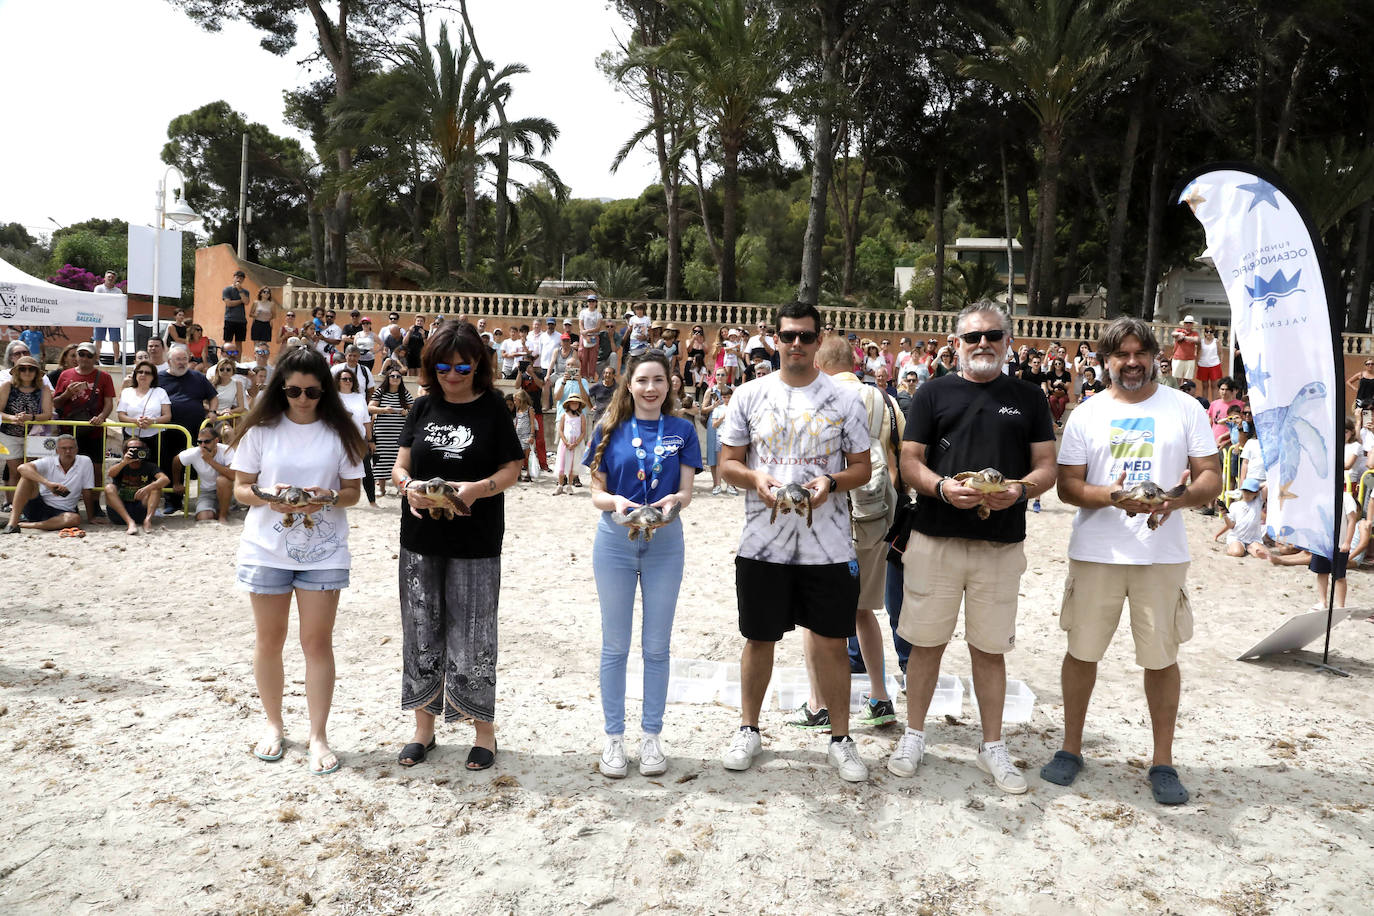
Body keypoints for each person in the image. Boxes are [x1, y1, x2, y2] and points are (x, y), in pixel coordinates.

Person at [1040, 316, 1221, 806]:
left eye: (1141, 353)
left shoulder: (1185, 408)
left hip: (1160, 555)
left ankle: (1162, 761)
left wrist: (1175, 501)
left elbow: (1211, 476)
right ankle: (1070, 748)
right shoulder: (1086, 414)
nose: (1132, 362)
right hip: (1097, 552)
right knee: (1082, 652)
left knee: (1161, 659)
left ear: (1156, 357)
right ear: (1105, 361)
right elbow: (1068, 485)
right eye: (1121, 354)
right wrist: (1112, 496)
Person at [886, 302, 1057, 793]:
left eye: (993, 335)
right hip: (935, 536)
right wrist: (940, 488)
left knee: (990, 648)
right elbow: (909, 461)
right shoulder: (934, 392)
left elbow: (1046, 464)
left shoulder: (1028, 397)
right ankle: (914, 735)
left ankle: (992, 745)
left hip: (1000, 545)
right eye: (972, 337)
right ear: (956, 342)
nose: (982, 343)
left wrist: (1021, 489)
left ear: (1008, 340)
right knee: (925, 644)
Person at [717, 301, 874, 783]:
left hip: (827, 546)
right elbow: (727, 463)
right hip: (763, 543)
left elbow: (862, 469)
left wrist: (831, 482)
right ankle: (749, 728)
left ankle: (841, 738)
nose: (797, 345)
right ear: (774, 338)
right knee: (758, 637)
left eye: (807, 337)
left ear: (819, 339)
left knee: (830, 641)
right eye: (788, 336)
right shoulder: (749, 394)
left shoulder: (848, 399)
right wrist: (756, 479)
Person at [390, 320, 523, 770]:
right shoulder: (423, 407)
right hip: (420, 540)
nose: (452, 374)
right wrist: (408, 486)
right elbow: (400, 463)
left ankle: (484, 731)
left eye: (462, 366)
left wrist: (476, 489)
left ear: (478, 366)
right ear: (431, 365)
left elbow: (512, 470)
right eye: (443, 365)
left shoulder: (494, 409)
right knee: (421, 631)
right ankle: (422, 729)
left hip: (477, 540)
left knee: (474, 635)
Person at [232, 346, 367, 776]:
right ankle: (273, 725)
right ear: (281, 389)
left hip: (324, 550)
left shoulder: (339, 433)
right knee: (269, 641)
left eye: (312, 391)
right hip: (265, 547)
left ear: (324, 389)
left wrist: (324, 498)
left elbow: (352, 493)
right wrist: (272, 499)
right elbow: (240, 489)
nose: (303, 398)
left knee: (316, 643)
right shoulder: (261, 430)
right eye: (293, 390)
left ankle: (317, 734)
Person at [585, 351, 701, 777]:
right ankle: (613, 738)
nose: (650, 388)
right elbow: (596, 493)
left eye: (658, 380)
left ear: (670, 384)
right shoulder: (608, 428)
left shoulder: (683, 430)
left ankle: (651, 737)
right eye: (642, 381)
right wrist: (615, 500)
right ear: (628, 385)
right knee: (615, 646)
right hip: (615, 540)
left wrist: (675, 500)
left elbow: (687, 492)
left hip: (666, 542)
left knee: (656, 646)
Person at [789, 336, 901, 732]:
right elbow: (898, 454)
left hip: (833, 515)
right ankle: (880, 696)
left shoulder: (822, 397)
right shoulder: (885, 401)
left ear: (819, 361)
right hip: (876, 515)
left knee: (814, 614)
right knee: (865, 611)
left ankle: (818, 703)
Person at [158, 345, 219, 513]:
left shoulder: (198, 377)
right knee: (169, 462)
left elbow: (213, 397)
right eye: (178, 359)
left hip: (194, 429)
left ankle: (205, 498)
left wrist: (213, 412)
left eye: (185, 359)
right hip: (168, 430)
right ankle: (172, 501)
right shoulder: (159, 378)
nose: (182, 362)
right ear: (169, 361)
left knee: (194, 464)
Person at [3, 433, 98, 533]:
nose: (68, 451)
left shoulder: (85, 461)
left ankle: (27, 525)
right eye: (64, 448)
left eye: (71, 448)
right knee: (26, 478)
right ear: (57, 451)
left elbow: (87, 491)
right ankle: (12, 524)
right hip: (38, 505)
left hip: (63, 511)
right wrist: (48, 484)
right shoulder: (49, 461)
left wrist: (90, 517)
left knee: (74, 519)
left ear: (77, 450)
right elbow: (22, 468)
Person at [53, 342, 115, 467]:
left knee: (96, 468)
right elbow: (56, 403)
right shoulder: (65, 375)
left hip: (95, 430)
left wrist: (101, 417)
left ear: (95, 358)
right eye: (81, 354)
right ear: (76, 356)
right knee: (67, 465)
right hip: (69, 429)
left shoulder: (104, 377)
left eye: (89, 355)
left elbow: (109, 403)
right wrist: (67, 394)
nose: (84, 358)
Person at [0, 356, 53, 490]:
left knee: (32, 473)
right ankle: (14, 506)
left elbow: (48, 414)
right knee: (15, 471)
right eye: (22, 369)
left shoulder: (44, 389)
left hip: (35, 436)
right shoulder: (7, 386)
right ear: (17, 371)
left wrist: (31, 417)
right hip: (9, 434)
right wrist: (13, 418)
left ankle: (30, 507)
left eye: (31, 369)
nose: (27, 372)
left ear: (36, 372)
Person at [104, 434, 169, 535]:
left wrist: (148, 488)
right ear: (125, 451)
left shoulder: (149, 466)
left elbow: (165, 480)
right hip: (120, 512)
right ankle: (130, 522)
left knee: (156, 487)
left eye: (139, 449)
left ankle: (147, 521)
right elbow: (110, 474)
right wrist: (124, 462)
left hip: (141, 509)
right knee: (109, 487)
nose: (136, 451)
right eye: (132, 449)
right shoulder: (120, 465)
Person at [174, 423, 236, 522]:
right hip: (207, 492)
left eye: (206, 442)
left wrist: (210, 461)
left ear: (216, 441)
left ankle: (222, 516)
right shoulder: (195, 452)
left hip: (228, 490)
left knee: (222, 480)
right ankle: (218, 509)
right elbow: (176, 460)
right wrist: (177, 483)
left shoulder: (226, 450)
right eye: (199, 442)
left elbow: (233, 475)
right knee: (204, 517)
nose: (202, 445)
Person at [336, 367, 377, 507]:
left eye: (350, 379)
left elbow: (366, 421)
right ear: (338, 381)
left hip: (358, 439)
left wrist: (370, 440)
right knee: (335, 471)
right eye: (344, 379)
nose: (348, 381)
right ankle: (336, 499)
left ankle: (372, 501)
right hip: (338, 439)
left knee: (367, 470)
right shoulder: (333, 397)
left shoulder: (360, 397)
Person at [368, 367, 411, 498]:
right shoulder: (380, 392)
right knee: (381, 459)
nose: (395, 378)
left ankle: (400, 487)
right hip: (382, 432)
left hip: (399, 433)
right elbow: (370, 408)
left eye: (398, 377)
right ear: (388, 378)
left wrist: (406, 412)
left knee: (398, 460)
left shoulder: (404, 393)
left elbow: (415, 410)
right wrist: (384, 410)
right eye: (392, 376)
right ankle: (381, 488)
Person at [115, 359, 171, 447]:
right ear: (135, 374)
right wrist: (136, 421)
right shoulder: (126, 392)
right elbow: (121, 416)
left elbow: (167, 416)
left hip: (155, 437)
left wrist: (152, 421)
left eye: (147, 373)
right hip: (131, 437)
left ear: (153, 376)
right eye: (140, 372)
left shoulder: (160, 392)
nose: (143, 375)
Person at [1215, 478, 1267, 558]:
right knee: (1237, 553)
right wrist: (1224, 515)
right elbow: (1231, 525)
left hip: (1253, 538)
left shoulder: (1257, 502)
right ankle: (1236, 547)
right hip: (1237, 537)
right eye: (1245, 491)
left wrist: (1257, 487)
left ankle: (1248, 548)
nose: (1247, 494)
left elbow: (1267, 485)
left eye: (1250, 492)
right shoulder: (1234, 506)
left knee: (1263, 555)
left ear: (1256, 493)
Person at [553, 392, 590, 495]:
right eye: (572, 403)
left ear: (579, 404)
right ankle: (560, 485)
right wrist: (566, 442)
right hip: (565, 443)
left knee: (572, 465)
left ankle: (569, 485)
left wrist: (576, 443)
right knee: (562, 463)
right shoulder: (564, 415)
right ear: (568, 404)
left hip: (576, 443)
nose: (574, 405)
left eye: (576, 403)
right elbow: (560, 430)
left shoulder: (581, 416)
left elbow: (583, 432)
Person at [92, 270, 123, 363]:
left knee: (115, 340)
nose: (110, 278)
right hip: (100, 317)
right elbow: (97, 301)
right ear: (104, 278)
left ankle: (116, 360)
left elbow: (119, 304)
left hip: (113, 318)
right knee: (98, 339)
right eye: (108, 277)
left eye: (112, 277)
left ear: (115, 280)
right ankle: (96, 360)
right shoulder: (98, 288)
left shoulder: (118, 291)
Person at [512, 389, 538, 481]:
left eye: (515, 400)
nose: (514, 402)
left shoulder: (529, 409)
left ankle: (528, 473)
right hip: (518, 435)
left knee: (528, 456)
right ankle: (518, 474)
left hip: (527, 436)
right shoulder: (518, 410)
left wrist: (532, 435)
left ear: (521, 399)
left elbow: (532, 423)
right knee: (519, 456)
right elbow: (517, 422)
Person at [221, 270, 250, 346]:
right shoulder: (227, 290)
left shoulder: (245, 292)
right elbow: (229, 303)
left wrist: (240, 290)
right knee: (227, 342)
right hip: (230, 319)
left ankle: (237, 358)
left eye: (241, 278)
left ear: (243, 280)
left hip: (241, 320)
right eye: (237, 277)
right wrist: (241, 300)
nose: (239, 280)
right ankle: (225, 357)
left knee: (239, 343)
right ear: (233, 278)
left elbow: (246, 302)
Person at [578, 294, 603, 378]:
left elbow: (598, 327)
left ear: (596, 303)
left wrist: (588, 331)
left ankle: (591, 375)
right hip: (584, 336)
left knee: (593, 357)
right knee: (583, 356)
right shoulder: (583, 312)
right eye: (589, 301)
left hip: (594, 336)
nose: (591, 303)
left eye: (593, 301)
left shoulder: (598, 314)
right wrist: (585, 335)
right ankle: (583, 375)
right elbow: (580, 324)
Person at [1170, 315, 1200, 382]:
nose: (1188, 324)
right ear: (1184, 324)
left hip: (1190, 359)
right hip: (1178, 358)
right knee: (1176, 379)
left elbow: (1197, 340)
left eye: (1190, 323)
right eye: (1186, 323)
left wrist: (1184, 337)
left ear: (1192, 324)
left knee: (1187, 381)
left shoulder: (1195, 333)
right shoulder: (1179, 331)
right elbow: (1173, 333)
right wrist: (1180, 334)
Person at [1196, 326, 1223, 401]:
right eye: (1207, 331)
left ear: (1213, 332)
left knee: (1214, 386)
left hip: (1214, 365)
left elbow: (1220, 352)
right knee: (1204, 386)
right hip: (1203, 365)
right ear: (1204, 332)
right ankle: (1205, 404)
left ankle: (1214, 403)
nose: (1209, 333)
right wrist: (1197, 362)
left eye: (1211, 331)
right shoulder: (1201, 342)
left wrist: (1220, 362)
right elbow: (1198, 352)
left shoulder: (1216, 341)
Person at [1348, 358, 1374, 430]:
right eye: (1368, 364)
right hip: (1360, 400)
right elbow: (1349, 382)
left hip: (1369, 402)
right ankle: (1358, 437)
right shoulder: (1361, 374)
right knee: (1358, 420)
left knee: (1367, 421)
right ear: (1365, 366)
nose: (1370, 365)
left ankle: (1366, 437)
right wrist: (1354, 388)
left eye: (1372, 364)